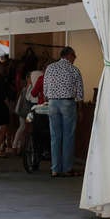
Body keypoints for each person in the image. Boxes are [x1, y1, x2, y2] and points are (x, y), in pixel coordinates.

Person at [43, 46, 84, 177]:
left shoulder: (50, 68)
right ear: (69, 56)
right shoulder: (74, 70)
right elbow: (80, 93)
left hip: (53, 103)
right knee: (68, 137)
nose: (75, 59)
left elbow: (45, 89)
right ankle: (67, 168)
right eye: (74, 56)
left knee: (55, 136)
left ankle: (55, 168)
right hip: (68, 103)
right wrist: (80, 109)